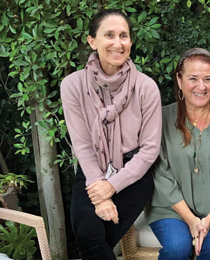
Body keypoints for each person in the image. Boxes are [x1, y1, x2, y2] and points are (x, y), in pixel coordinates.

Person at [61, 9, 162, 260]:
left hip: (134, 173)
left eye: (124, 36)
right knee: (87, 233)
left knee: (94, 241)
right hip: (92, 170)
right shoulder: (73, 86)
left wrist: (112, 187)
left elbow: (150, 149)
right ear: (92, 41)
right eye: (109, 35)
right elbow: (82, 144)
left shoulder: (145, 87)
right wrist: (100, 191)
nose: (118, 43)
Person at [144, 48, 210, 260]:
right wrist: (191, 220)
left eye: (208, 79)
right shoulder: (161, 119)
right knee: (177, 249)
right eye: (193, 78)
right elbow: (160, 174)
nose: (201, 87)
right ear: (179, 79)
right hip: (172, 210)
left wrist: (209, 220)